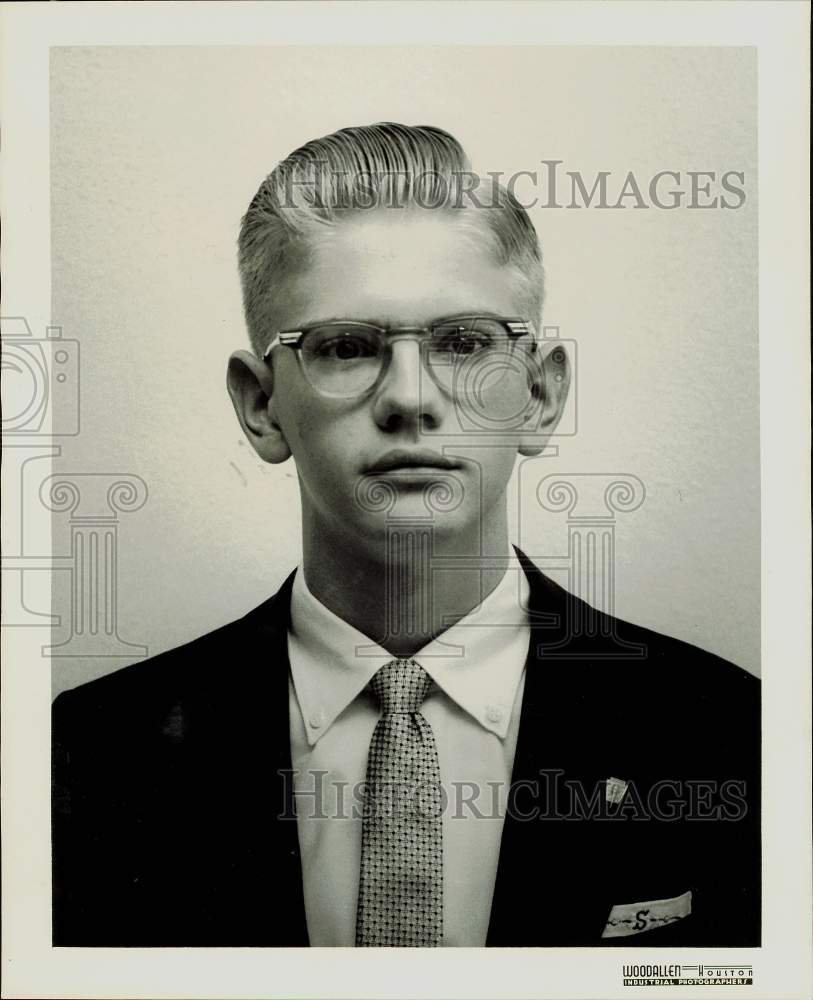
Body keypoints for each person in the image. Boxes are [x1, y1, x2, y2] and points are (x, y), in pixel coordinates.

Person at [52, 122, 759, 948]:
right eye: (346, 347)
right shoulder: (86, 757)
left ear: (538, 394)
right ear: (259, 404)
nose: (410, 397)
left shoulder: (734, 734)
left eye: (463, 342)